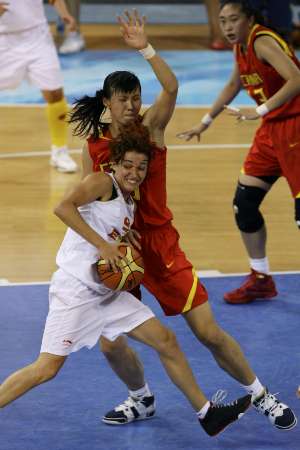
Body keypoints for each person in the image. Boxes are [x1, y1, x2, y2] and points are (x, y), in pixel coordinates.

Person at [69, 9, 297, 432]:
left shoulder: (151, 128)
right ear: (107, 103)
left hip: (160, 244)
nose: (133, 105)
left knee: (208, 333)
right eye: (124, 99)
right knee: (109, 341)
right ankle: (141, 399)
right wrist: (104, 248)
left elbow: (171, 87)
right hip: (124, 250)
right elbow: (86, 204)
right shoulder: (94, 147)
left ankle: (262, 395)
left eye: (136, 97)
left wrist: (146, 48)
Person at [0, 123, 252, 438]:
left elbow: (106, 223)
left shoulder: (128, 199)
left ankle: (207, 414)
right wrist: (104, 244)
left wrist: (121, 234)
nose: (135, 172)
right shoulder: (101, 181)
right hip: (76, 292)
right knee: (46, 369)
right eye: (128, 165)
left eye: (141, 167)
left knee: (166, 341)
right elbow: (62, 207)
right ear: (115, 163)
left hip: (106, 294)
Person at [178, 0, 300, 304]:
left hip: (296, 129)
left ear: (248, 19)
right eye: (223, 21)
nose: (228, 27)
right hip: (271, 133)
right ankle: (260, 278)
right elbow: (234, 83)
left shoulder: (262, 41)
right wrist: (204, 123)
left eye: (234, 19)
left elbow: (297, 79)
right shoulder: (241, 46)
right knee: (244, 204)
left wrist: (261, 109)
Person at [0, 0, 77, 172]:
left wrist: (64, 14)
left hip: (38, 37)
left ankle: (60, 150)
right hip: (4, 41)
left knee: (55, 93)